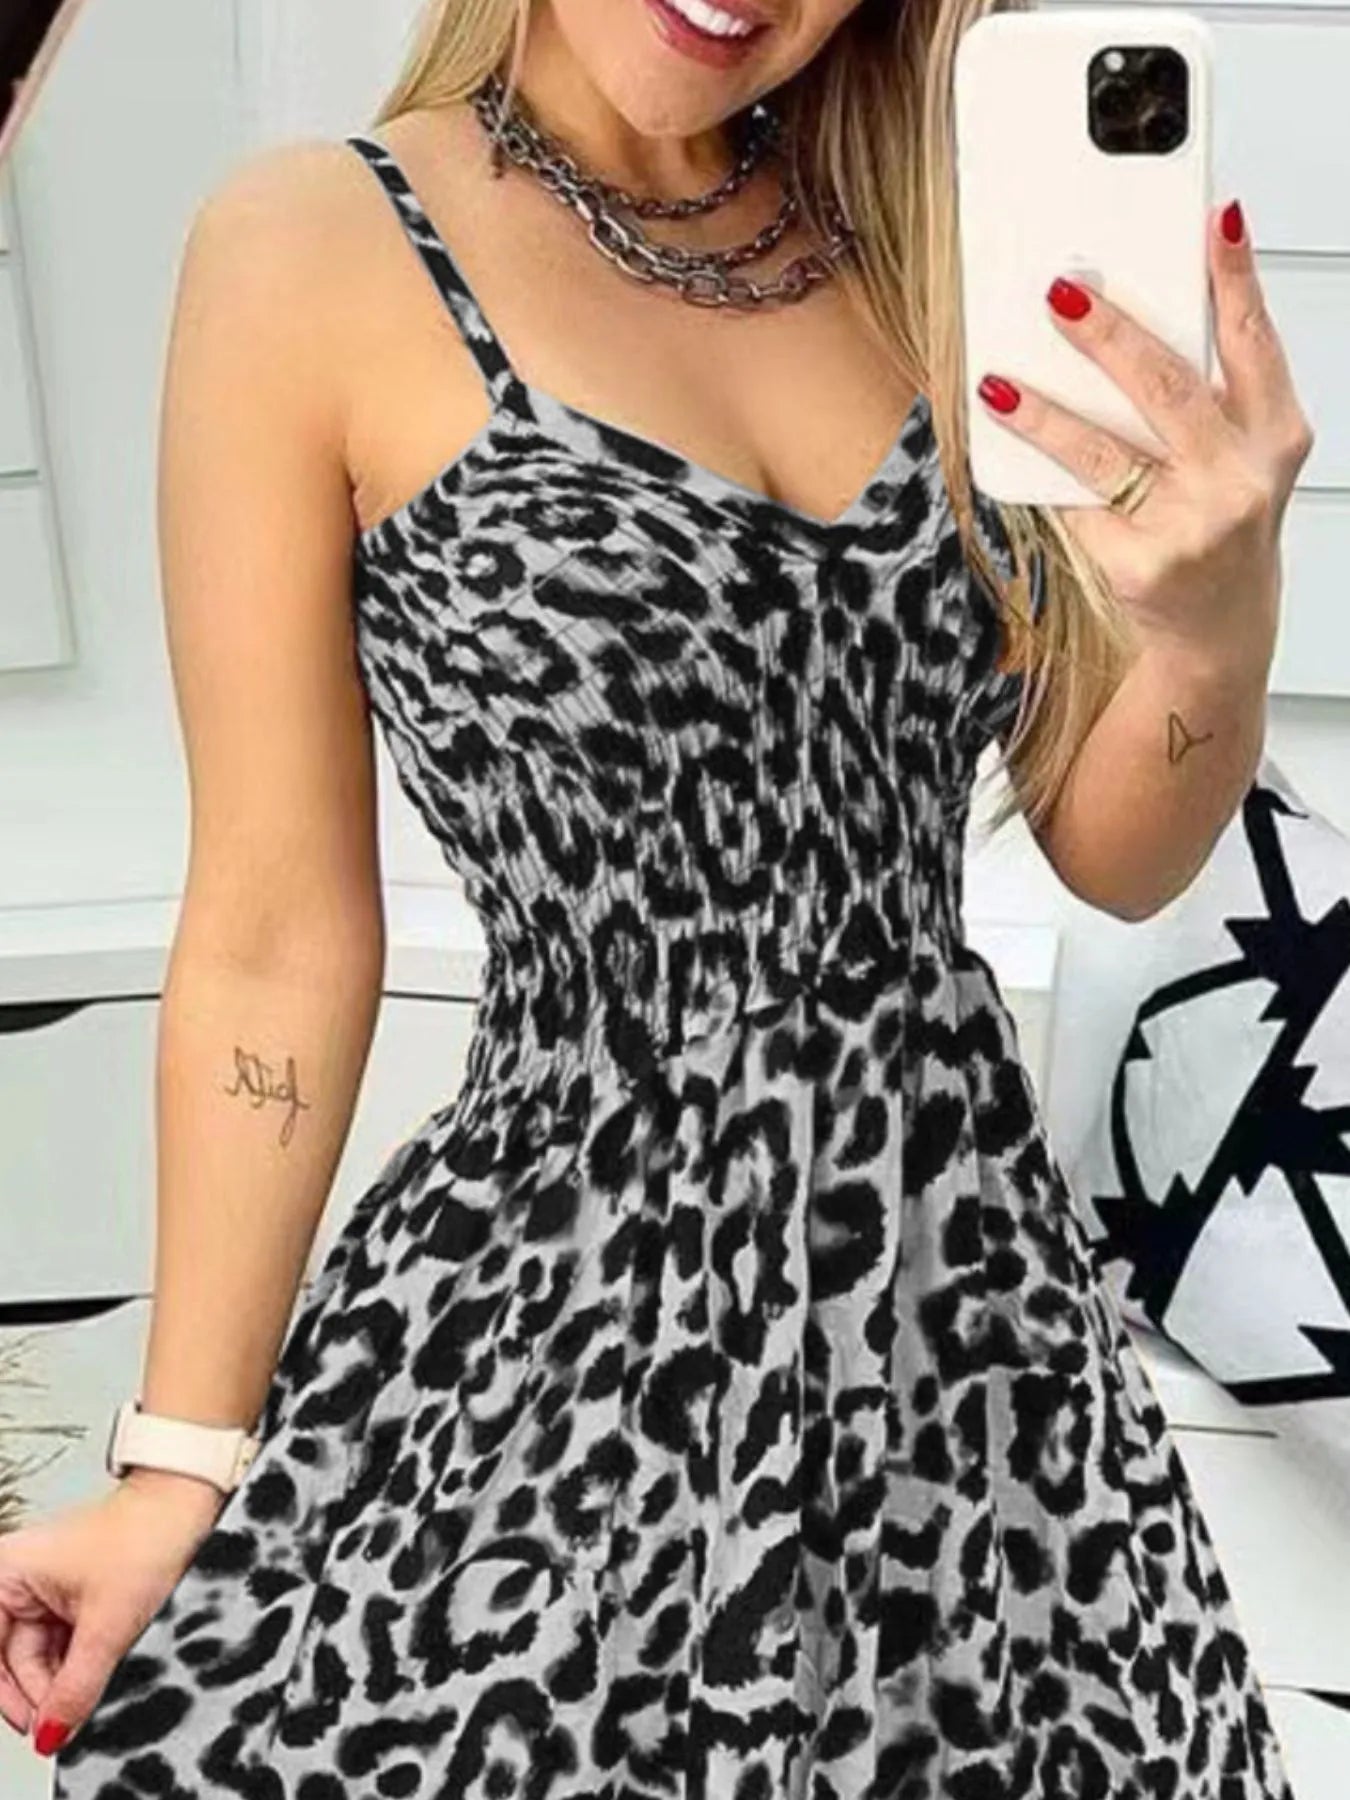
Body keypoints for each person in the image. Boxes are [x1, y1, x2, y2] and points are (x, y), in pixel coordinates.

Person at [2, 0, 1310, 1792]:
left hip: (971, 1347)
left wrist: (1214, 618)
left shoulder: (943, 246)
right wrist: (178, 1464)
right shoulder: (311, 247)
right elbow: (273, 933)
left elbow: (1117, 851)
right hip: (568, 1336)